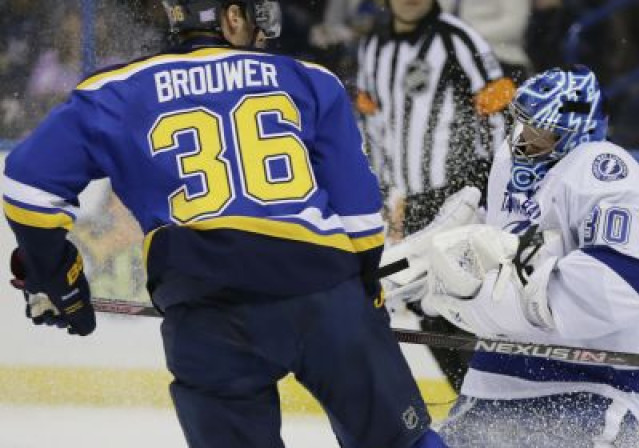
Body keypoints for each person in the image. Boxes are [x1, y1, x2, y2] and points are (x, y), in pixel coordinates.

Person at [2, 1, 446, 447]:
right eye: (254, 13)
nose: (262, 27)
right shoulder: (310, 79)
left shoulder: (115, 90)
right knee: (403, 444)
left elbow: (27, 190)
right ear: (231, 17)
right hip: (322, 294)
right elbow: (362, 222)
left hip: (207, 313)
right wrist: (363, 295)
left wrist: (57, 279)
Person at [418, 66, 639, 447]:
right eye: (525, 124)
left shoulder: (600, 166)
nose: (527, 138)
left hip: (598, 383)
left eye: (543, 130)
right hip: (499, 375)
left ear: (578, 133)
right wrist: (426, 267)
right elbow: (500, 242)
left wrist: (500, 300)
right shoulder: (509, 159)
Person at [356, 0, 514, 392]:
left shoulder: (457, 38)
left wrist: (486, 187)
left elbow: (499, 111)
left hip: (459, 197)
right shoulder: (372, 46)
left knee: (466, 302)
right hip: (412, 202)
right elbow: (372, 123)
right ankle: (469, 399)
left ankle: (496, 398)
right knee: (423, 305)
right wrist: (381, 192)